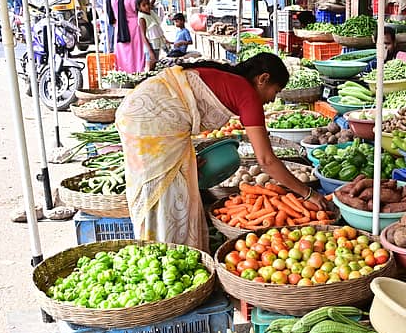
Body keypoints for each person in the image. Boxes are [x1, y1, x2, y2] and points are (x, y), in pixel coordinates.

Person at [115, 53, 329, 250]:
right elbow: (266, 160)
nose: (273, 100)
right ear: (263, 79)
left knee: (173, 184)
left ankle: (165, 247)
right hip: (147, 119)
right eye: (276, 91)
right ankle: (163, 248)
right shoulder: (247, 94)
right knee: (165, 190)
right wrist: (309, 193)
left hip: (142, 112)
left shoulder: (232, 82)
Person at [110, 0, 146, 73]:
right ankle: (137, 70)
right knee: (135, 52)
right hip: (133, 27)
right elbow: (139, 10)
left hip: (119, 27)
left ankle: (123, 71)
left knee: (122, 53)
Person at [137, 0, 166, 70]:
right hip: (150, 45)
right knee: (151, 68)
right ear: (139, 7)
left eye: (148, 4)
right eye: (144, 5)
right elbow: (143, 36)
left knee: (155, 65)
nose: (147, 6)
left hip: (156, 43)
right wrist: (150, 51)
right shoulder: (142, 18)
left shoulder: (150, 11)